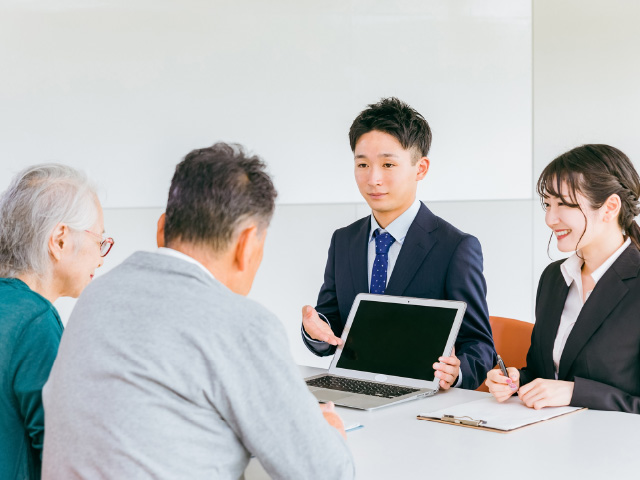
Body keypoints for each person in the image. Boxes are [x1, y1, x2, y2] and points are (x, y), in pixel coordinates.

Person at [42, 143, 355, 479]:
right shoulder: (242, 324)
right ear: (248, 244)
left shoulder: (97, 296)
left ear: (162, 229)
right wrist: (329, 429)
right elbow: (325, 472)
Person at [301, 97, 495, 390]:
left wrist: (457, 374)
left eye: (388, 164)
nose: (373, 179)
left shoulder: (455, 247)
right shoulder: (344, 240)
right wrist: (315, 331)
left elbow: (480, 345)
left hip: (420, 402)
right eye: (362, 164)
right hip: (350, 391)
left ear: (421, 168)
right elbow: (331, 327)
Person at [486, 144, 640, 413]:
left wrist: (576, 393)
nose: (549, 218)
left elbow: (569, 390)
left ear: (610, 207)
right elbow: (543, 372)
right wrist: (516, 380)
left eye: (564, 204)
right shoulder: (554, 278)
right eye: (547, 204)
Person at [0, 164, 110, 480]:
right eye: (99, 239)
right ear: (60, 240)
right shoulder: (34, 321)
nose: (100, 258)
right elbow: (64, 458)